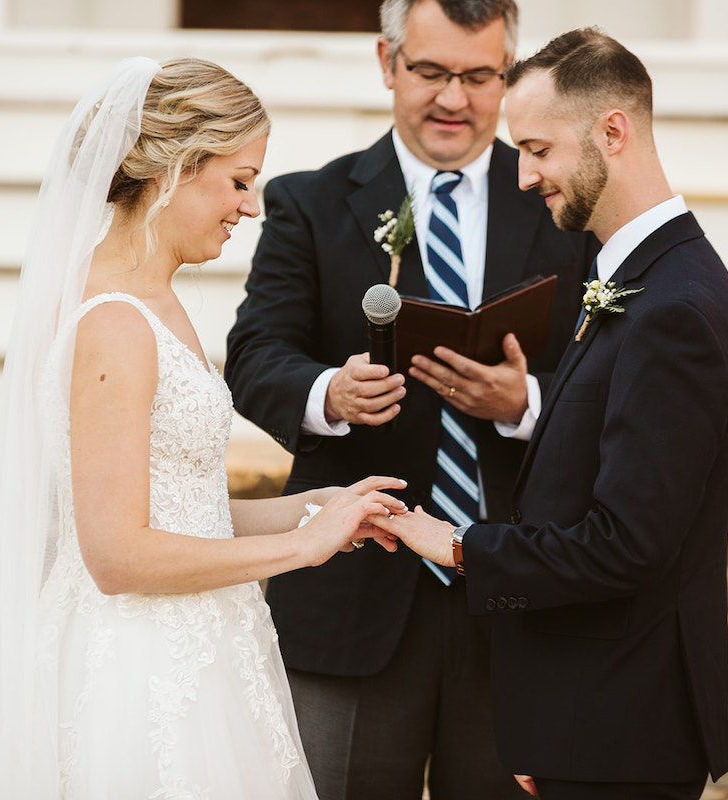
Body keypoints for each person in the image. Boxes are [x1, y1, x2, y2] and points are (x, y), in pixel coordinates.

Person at [0, 57, 406, 800]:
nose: (251, 207)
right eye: (238, 181)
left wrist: (323, 507)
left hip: (204, 648)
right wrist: (299, 548)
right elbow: (117, 554)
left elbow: (181, 512)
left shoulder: (156, 303)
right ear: (174, 169)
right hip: (137, 673)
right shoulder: (114, 323)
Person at [224, 0, 596, 797]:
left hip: (517, 593)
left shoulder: (565, 205)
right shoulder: (310, 203)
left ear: (508, 76)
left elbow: (611, 381)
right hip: (355, 591)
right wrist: (331, 391)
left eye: (477, 76)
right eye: (431, 72)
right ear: (388, 64)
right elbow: (255, 355)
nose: (454, 99)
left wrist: (525, 402)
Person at [374, 27, 728, 800]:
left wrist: (458, 547)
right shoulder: (641, 282)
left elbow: (625, 545)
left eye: (539, 149)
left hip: (621, 734)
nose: (522, 175)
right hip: (586, 720)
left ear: (612, 132)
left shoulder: (674, 307)